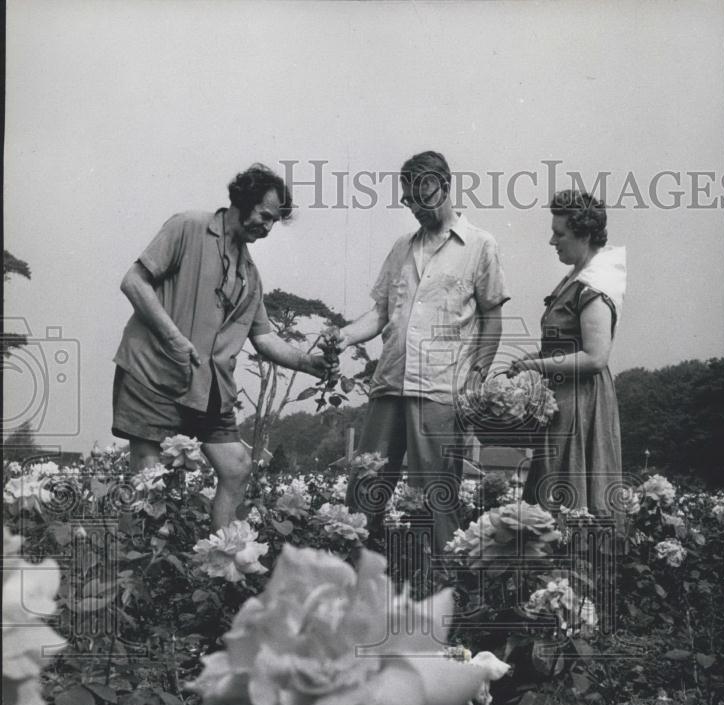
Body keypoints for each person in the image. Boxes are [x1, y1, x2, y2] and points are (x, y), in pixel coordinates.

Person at [112, 164, 328, 529]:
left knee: (237, 467)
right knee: (150, 482)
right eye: (265, 215)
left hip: (208, 389)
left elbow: (263, 338)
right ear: (243, 200)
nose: (268, 227)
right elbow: (133, 281)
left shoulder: (250, 274)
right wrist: (173, 338)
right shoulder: (188, 227)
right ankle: (136, 572)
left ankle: (220, 558)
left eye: (275, 221)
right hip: (153, 375)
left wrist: (309, 362)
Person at [341, 150, 509, 558]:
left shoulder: (480, 245)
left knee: (436, 498)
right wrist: (341, 336)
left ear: (445, 187)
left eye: (423, 195)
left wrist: (476, 379)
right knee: (364, 489)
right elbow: (380, 313)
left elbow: (492, 319)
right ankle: (351, 578)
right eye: (409, 199)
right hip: (389, 385)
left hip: (440, 391)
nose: (415, 206)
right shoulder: (401, 248)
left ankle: (447, 590)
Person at [515, 190, 626, 519]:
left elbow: (595, 357)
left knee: (570, 493)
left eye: (559, 233)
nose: (552, 241)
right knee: (552, 488)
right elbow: (564, 345)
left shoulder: (596, 283)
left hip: (580, 401)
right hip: (561, 397)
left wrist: (534, 365)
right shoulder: (574, 278)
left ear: (585, 234)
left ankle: (572, 566)